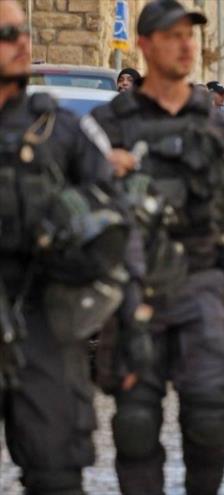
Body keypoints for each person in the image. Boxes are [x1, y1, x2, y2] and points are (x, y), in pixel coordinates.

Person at [90, 1, 224, 493]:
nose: (184, 44)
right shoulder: (105, 127)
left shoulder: (221, 129)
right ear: (144, 45)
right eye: (170, 35)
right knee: (136, 427)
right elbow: (68, 211)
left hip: (199, 291)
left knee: (208, 419)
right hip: (131, 297)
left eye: (190, 35)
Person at [0, 1, 150, 492]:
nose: (21, 43)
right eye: (6, 33)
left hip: (44, 321)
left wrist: (129, 322)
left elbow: (117, 222)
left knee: (56, 473)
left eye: (22, 31)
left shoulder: (62, 129)